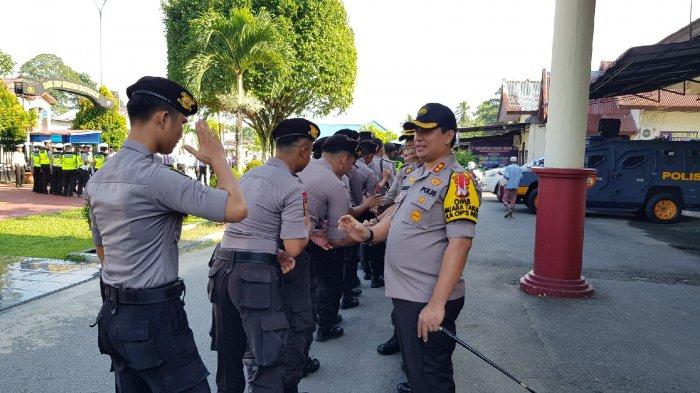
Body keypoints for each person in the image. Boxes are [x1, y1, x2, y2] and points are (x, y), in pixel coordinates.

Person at [86, 76, 247, 392]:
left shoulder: (99, 178)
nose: (180, 134)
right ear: (162, 118)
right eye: (181, 123)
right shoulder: (158, 179)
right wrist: (217, 159)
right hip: (154, 318)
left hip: (114, 316)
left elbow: (103, 254)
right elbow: (237, 208)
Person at [338, 103, 480, 393]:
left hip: (427, 297)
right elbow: (398, 218)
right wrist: (367, 233)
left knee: (431, 377)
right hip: (406, 294)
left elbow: (460, 244)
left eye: (427, 131)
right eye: (416, 131)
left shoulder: (459, 181)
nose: (418, 137)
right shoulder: (416, 175)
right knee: (417, 373)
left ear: (449, 136)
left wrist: (437, 304)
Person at [209, 118, 319, 393]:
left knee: (229, 353)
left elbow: (245, 226)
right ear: (304, 150)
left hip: (222, 266)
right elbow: (294, 247)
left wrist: (273, 249)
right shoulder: (292, 185)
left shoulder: (249, 176)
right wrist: (308, 226)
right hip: (254, 277)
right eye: (311, 152)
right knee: (270, 357)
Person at [298, 135, 378, 343]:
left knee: (304, 287)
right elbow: (338, 237)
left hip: (293, 237)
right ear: (344, 159)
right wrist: (366, 234)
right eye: (352, 162)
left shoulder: (305, 167)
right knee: (329, 279)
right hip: (309, 239)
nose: (352, 168)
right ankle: (326, 325)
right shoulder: (335, 184)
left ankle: (317, 318)